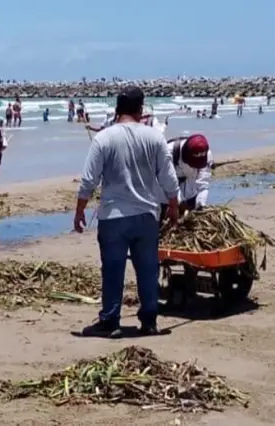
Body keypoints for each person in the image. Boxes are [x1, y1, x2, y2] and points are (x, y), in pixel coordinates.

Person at [74, 86, 180, 338]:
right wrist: (174, 206)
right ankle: (149, 320)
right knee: (147, 269)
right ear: (141, 110)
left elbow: (89, 179)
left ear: (116, 110)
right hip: (146, 215)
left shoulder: (105, 138)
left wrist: (80, 210)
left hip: (113, 217)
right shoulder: (154, 138)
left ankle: (111, 320)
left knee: (112, 269)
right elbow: (168, 177)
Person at [157, 134, 213, 225]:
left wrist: (200, 205)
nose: (194, 167)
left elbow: (203, 183)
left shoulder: (206, 154)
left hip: (190, 194)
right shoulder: (168, 153)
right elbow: (167, 182)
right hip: (166, 198)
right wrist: (179, 203)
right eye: (192, 164)